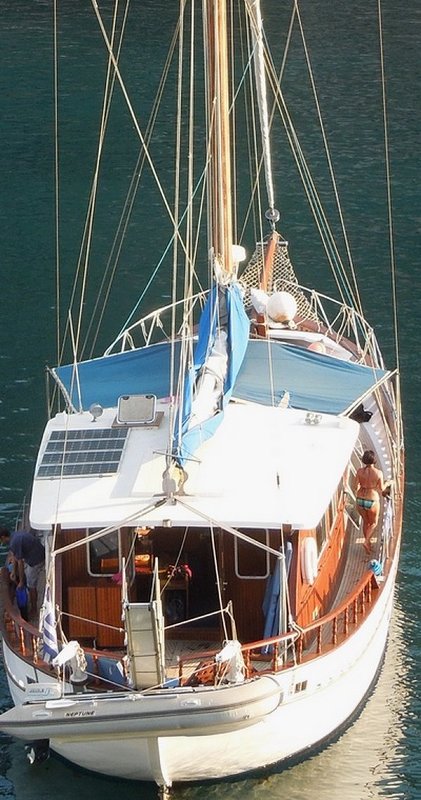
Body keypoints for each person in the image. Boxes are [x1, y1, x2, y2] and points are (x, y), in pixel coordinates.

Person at [0, 527, 45, 617]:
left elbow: (20, 562)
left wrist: (20, 582)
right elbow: (16, 557)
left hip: (36, 560)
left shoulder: (14, 542)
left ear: (3, 537)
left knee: (31, 585)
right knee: (25, 573)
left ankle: (34, 610)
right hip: (37, 553)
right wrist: (13, 571)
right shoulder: (15, 535)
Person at [354, 451, 389, 555]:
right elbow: (382, 488)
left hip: (360, 499)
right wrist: (387, 483)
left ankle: (368, 543)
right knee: (373, 523)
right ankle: (366, 542)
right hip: (372, 499)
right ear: (374, 460)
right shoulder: (378, 473)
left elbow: (355, 486)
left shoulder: (359, 471)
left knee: (365, 521)